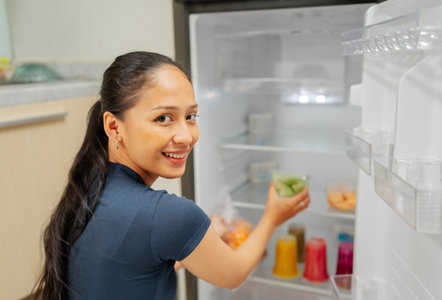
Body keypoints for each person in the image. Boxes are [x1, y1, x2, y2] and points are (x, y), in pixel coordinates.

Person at [33, 51, 310, 300]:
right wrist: (273, 217)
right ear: (114, 127)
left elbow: (132, 263)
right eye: (163, 118)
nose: (186, 136)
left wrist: (198, 242)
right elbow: (234, 274)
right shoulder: (170, 215)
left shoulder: (89, 187)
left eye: (191, 116)